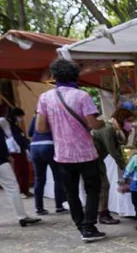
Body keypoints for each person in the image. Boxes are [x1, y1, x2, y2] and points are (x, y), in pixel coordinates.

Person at [36, 58, 106, 243]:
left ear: (55, 76)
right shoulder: (82, 96)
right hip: (85, 153)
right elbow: (93, 124)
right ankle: (89, 227)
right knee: (92, 190)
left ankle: (80, 225)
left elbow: (40, 128)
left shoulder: (45, 98)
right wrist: (103, 123)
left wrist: (60, 127)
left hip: (63, 154)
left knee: (71, 192)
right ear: (75, 76)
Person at [92, 108, 136, 224]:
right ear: (122, 119)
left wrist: (126, 133)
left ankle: (101, 213)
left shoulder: (113, 129)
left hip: (96, 159)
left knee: (101, 186)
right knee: (103, 185)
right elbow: (113, 151)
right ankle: (103, 214)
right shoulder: (108, 129)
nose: (131, 124)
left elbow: (120, 146)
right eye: (129, 121)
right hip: (92, 159)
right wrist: (126, 168)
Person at [0, 126, 41, 227]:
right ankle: (22, 216)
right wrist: (7, 156)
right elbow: (1, 142)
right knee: (12, 188)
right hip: (0, 161)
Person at [28, 113, 68, 215]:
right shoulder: (55, 114)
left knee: (39, 179)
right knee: (58, 177)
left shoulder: (36, 116)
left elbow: (29, 133)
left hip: (34, 147)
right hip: (49, 145)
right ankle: (59, 206)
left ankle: (39, 208)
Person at [2, 107, 32, 197]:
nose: (21, 118)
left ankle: (25, 190)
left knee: (25, 171)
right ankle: (20, 191)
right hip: (14, 150)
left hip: (21, 149)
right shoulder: (6, 123)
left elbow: (21, 137)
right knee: (18, 171)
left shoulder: (15, 125)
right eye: (20, 116)